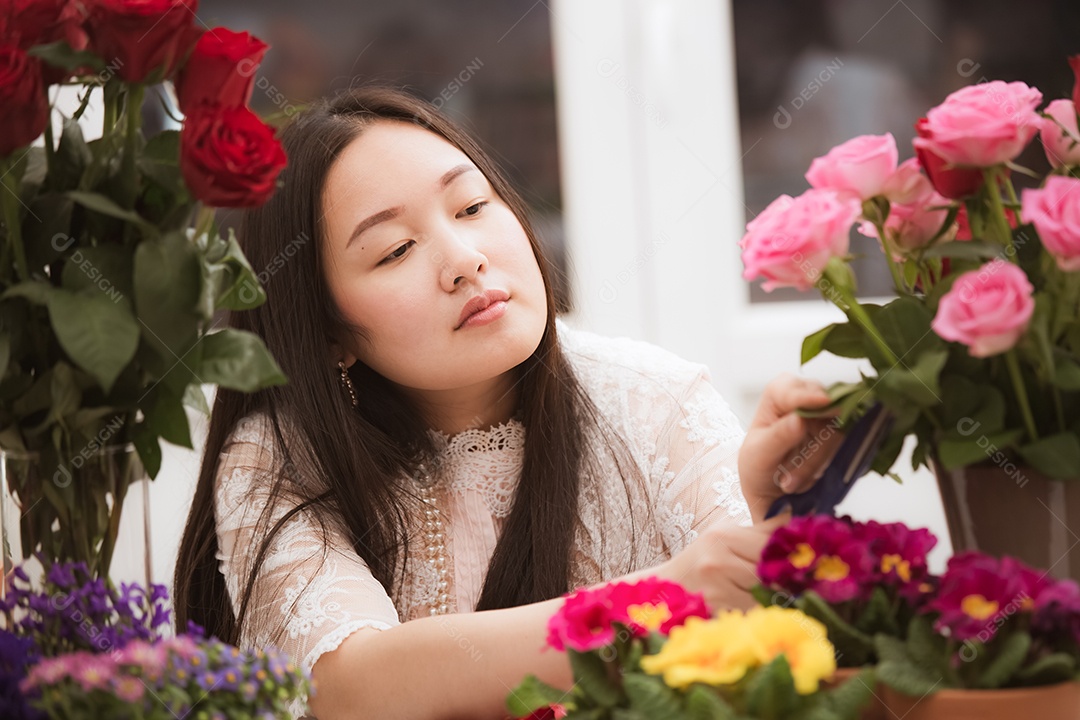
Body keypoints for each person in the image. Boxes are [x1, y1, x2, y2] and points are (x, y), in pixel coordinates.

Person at [172, 86, 841, 720]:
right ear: (327, 334)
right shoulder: (280, 454)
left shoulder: (654, 401)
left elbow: (781, 656)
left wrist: (769, 513)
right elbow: (355, 687)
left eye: (471, 207)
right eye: (395, 249)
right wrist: (658, 600)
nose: (465, 259)